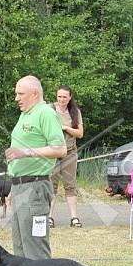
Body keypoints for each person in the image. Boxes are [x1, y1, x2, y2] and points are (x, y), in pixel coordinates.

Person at [5, 75, 66, 266]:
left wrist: (25, 152)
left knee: (36, 249)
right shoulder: (24, 116)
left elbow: (60, 149)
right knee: (20, 252)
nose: (16, 98)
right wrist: (12, 185)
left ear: (35, 94)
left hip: (36, 188)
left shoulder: (46, 113)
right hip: (20, 187)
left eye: (20, 94)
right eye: (16, 93)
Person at [48, 85, 84, 228]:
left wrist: (67, 128)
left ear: (70, 97)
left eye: (64, 97)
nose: (62, 99)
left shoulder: (75, 112)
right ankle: (49, 217)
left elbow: (80, 134)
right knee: (51, 184)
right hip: (52, 151)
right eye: (59, 96)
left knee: (70, 184)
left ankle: (74, 217)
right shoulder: (49, 109)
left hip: (70, 151)